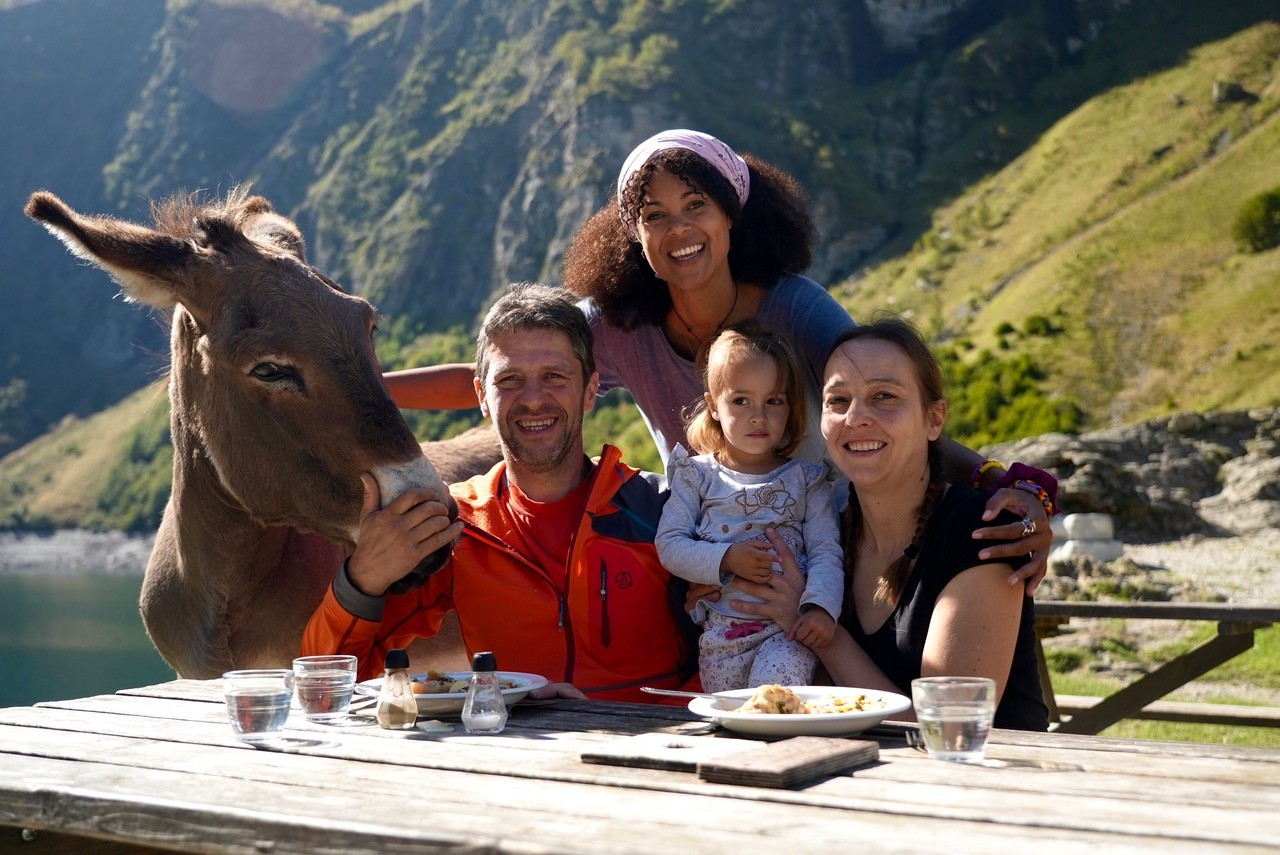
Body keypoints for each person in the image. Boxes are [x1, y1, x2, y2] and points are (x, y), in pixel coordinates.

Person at [382, 128, 1055, 585]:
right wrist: (370, 386)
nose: (678, 229)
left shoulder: (796, 309)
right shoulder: (621, 325)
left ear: (732, 214)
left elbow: (887, 412)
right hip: (705, 558)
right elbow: (515, 366)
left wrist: (1000, 478)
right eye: (653, 214)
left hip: (827, 550)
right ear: (634, 235)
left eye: (695, 204)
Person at [300, 283, 700, 702]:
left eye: (554, 377)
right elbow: (324, 690)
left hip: (656, 756)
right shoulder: (455, 527)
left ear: (588, 391)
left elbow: (737, 654)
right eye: (509, 380)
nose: (532, 399)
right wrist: (362, 579)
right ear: (482, 397)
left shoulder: (664, 510)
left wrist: (663, 731)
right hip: (515, 760)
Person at [725, 315, 1049, 729]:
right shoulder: (829, 538)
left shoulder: (981, 528)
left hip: (990, 784)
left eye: (884, 396)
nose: (856, 417)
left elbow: (950, 728)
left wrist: (817, 630)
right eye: (837, 400)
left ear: (934, 420)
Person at [656, 321, 842, 692]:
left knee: (772, 705)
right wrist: (726, 559)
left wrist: (820, 608)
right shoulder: (695, 477)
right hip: (720, 642)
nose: (758, 416)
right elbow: (670, 544)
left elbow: (826, 552)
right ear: (713, 406)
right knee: (732, 725)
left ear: (790, 406)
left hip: (788, 634)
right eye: (741, 401)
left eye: (773, 401)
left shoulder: (807, 481)